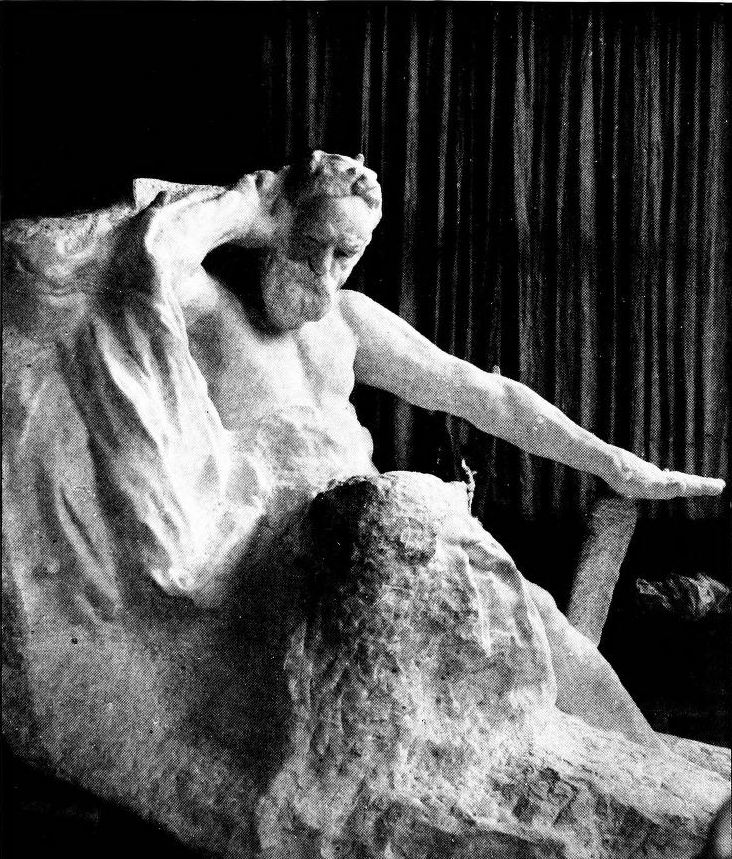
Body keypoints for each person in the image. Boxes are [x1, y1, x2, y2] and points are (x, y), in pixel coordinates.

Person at [100, 149, 720, 749]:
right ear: (276, 226)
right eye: (313, 244)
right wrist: (243, 208)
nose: (324, 274)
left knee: (535, 621)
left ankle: (648, 764)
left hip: (378, 534)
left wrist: (615, 463)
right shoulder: (205, 304)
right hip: (271, 559)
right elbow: (140, 252)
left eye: (347, 255)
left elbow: (484, 394)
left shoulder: (347, 322)